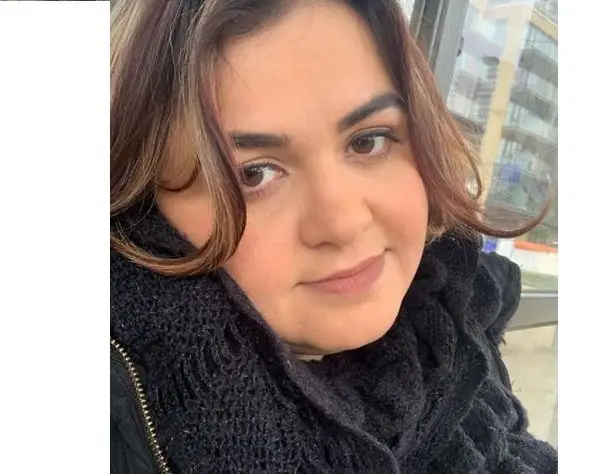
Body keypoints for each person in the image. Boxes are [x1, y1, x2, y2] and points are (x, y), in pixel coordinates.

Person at [110, 0, 558, 473]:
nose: (344, 224)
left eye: (368, 141)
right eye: (253, 174)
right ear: (143, 207)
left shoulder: (455, 324)